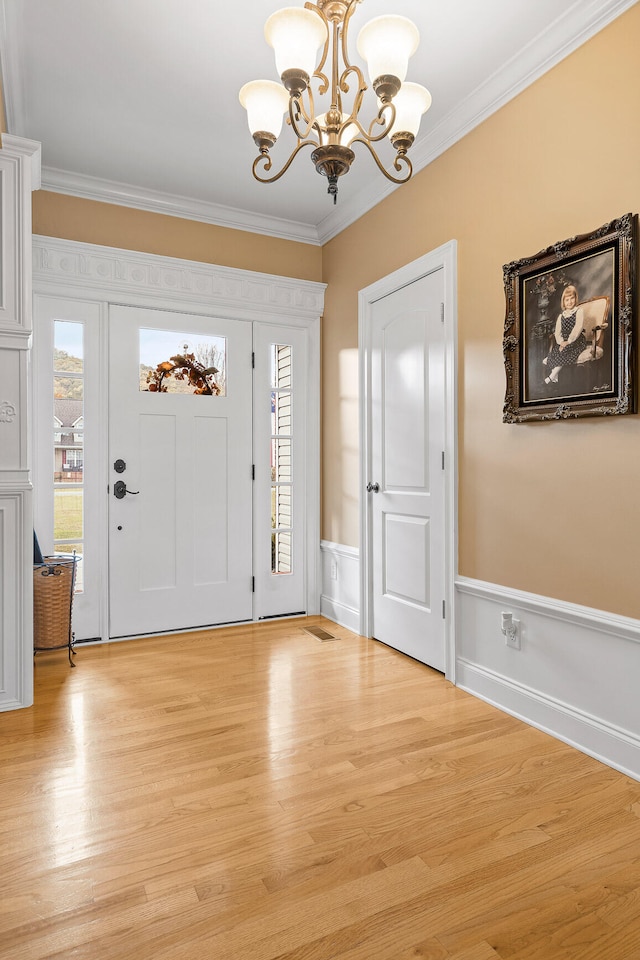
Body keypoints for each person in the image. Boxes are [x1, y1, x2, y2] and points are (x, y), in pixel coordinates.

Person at [542, 284, 587, 384]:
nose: (570, 301)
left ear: (576, 298)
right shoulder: (561, 316)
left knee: (565, 350)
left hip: (576, 340)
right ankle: (555, 376)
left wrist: (569, 341)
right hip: (563, 341)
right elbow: (557, 332)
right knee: (557, 350)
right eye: (567, 300)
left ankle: (552, 375)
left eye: (572, 298)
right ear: (563, 302)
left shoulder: (579, 311)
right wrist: (561, 342)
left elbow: (578, 328)